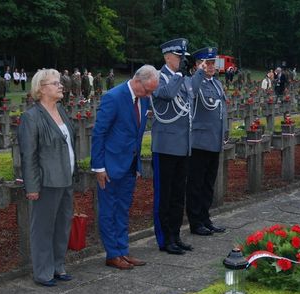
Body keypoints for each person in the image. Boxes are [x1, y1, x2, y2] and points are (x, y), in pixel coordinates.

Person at [90, 64, 159, 269]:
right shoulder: (113, 97)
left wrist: (136, 164)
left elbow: (136, 134)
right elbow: (99, 133)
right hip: (110, 166)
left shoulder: (143, 100)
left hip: (129, 166)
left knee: (123, 209)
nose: (149, 95)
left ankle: (123, 250)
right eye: (147, 90)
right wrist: (99, 168)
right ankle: (112, 254)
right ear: (137, 81)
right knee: (108, 210)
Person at [18, 69, 76, 286]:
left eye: (60, 82)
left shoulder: (62, 111)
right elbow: (28, 155)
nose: (60, 86)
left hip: (66, 179)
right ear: (41, 89)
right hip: (46, 182)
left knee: (62, 226)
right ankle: (43, 272)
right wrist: (32, 187)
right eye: (55, 83)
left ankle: (58, 267)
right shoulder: (31, 118)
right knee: (43, 228)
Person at [151, 38, 204, 256]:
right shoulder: (157, 76)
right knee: (165, 195)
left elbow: (191, 91)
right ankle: (164, 239)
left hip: (182, 145)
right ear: (167, 57)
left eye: (183, 57)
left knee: (178, 194)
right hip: (165, 146)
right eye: (178, 57)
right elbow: (167, 94)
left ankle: (175, 235)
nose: (182, 60)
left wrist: (198, 71)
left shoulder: (180, 77)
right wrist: (180, 75)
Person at [186, 47, 228, 240]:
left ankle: (205, 218)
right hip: (199, 142)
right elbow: (190, 92)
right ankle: (195, 222)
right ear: (198, 64)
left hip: (215, 141)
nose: (211, 67)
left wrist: (224, 131)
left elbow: (222, 111)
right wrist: (199, 72)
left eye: (213, 63)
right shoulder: (195, 82)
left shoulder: (217, 84)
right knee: (196, 184)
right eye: (207, 63)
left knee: (208, 184)